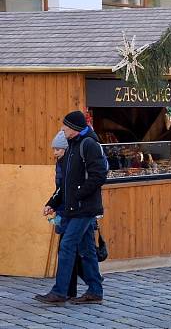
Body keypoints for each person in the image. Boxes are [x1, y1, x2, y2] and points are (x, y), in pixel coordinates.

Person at [36, 111, 107, 305]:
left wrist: (78, 194)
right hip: (73, 207)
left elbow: (99, 175)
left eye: (65, 127)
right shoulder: (72, 146)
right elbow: (64, 185)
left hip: (85, 208)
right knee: (87, 250)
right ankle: (95, 290)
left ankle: (60, 292)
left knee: (67, 245)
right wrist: (52, 203)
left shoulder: (89, 145)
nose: (62, 129)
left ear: (75, 128)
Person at [50, 130, 85, 300]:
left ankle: (75, 286)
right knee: (68, 249)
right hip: (62, 210)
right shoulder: (61, 163)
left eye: (58, 149)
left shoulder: (68, 164)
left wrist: (53, 203)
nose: (55, 152)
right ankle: (70, 289)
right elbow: (59, 189)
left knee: (68, 249)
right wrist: (52, 204)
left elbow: (64, 189)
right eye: (54, 149)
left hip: (70, 211)